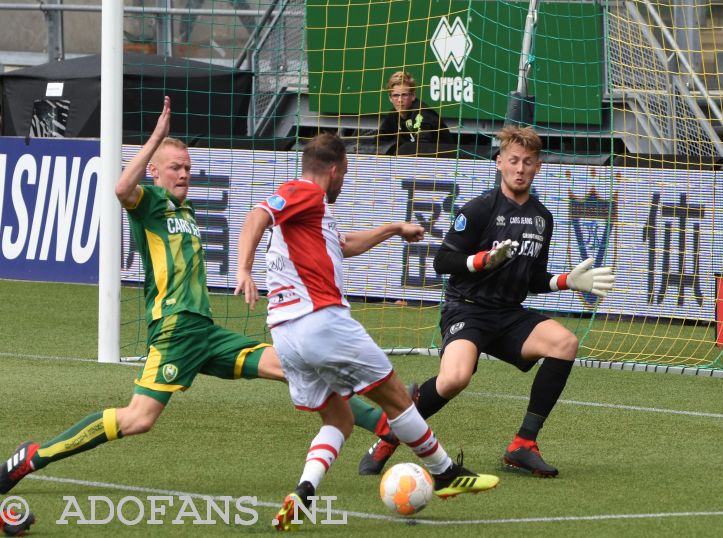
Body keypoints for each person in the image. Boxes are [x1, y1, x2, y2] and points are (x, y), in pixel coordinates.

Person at [0, 97, 391, 496]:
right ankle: (36, 455)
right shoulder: (149, 203)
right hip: (174, 331)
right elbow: (121, 188)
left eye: (188, 167)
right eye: (175, 168)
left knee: (294, 366)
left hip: (203, 332)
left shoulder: (185, 213)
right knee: (138, 418)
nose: (184, 174)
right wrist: (156, 138)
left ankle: (384, 426)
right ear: (154, 172)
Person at [236, 132, 499, 531]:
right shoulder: (305, 193)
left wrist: (394, 228)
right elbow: (257, 216)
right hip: (321, 321)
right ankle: (445, 473)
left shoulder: (310, 217)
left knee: (338, 419)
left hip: (286, 336)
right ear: (336, 169)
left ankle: (304, 491)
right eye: (345, 173)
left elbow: (344, 245)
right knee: (397, 399)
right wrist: (242, 268)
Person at [358, 125, 615, 478]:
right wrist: (479, 261)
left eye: (528, 162)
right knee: (455, 379)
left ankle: (523, 445)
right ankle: (390, 434)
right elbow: (442, 261)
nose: (520, 168)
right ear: (499, 163)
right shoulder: (478, 209)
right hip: (467, 308)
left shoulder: (543, 218)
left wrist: (567, 281)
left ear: (538, 167)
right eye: (513, 161)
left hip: (508, 314)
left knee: (564, 343)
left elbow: (534, 279)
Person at [375, 71, 454, 153]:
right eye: (396, 95)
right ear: (390, 98)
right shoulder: (394, 115)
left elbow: (423, 148)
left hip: (443, 160)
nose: (400, 100)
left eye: (404, 95)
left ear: (413, 96)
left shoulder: (422, 114)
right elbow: (378, 142)